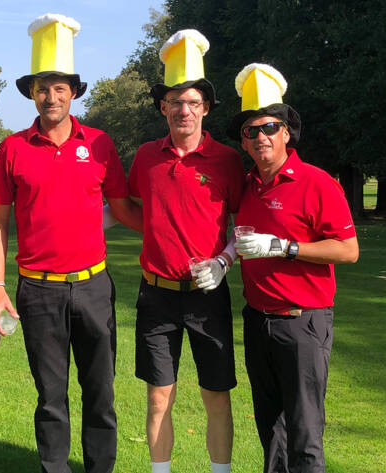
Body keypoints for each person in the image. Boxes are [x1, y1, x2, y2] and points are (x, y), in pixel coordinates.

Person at [0, 14, 141, 473]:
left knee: (101, 394)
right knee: (50, 397)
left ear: (73, 92)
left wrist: (174, 234)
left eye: (59, 88)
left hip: (93, 287)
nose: (50, 96)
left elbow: (124, 210)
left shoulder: (100, 143)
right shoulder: (13, 148)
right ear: (32, 93)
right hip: (38, 291)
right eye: (42, 88)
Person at [228, 64, 359, 473]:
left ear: (287, 132)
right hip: (257, 320)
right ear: (244, 141)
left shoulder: (317, 182)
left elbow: (348, 250)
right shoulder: (247, 184)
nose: (260, 137)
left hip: (303, 322)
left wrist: (286, 248)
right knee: (271, 430)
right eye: (251, 130)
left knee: (304, 432)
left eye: (270, 127)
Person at [127, 30, 243, 473]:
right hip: (155, 294)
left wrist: (225, 260)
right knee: (159, 396)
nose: (184, 110)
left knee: (216, 395)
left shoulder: (228, 160)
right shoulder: (146, 157)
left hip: (208, 295)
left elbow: (245, 225)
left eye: (193, 102)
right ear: (163, 107)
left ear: (206, 108)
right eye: (175, 101)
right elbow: (131, 208)